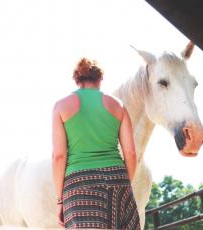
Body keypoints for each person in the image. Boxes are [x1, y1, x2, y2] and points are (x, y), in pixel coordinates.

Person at [52, 57, 140, 229]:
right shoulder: (118, 105)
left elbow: (59, 156)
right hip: (117, 179)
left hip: (79, 185)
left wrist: (59, 200)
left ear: (77, 79)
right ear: (100, 78)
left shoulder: (61, 106)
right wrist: (123, 186)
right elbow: (130, 153)